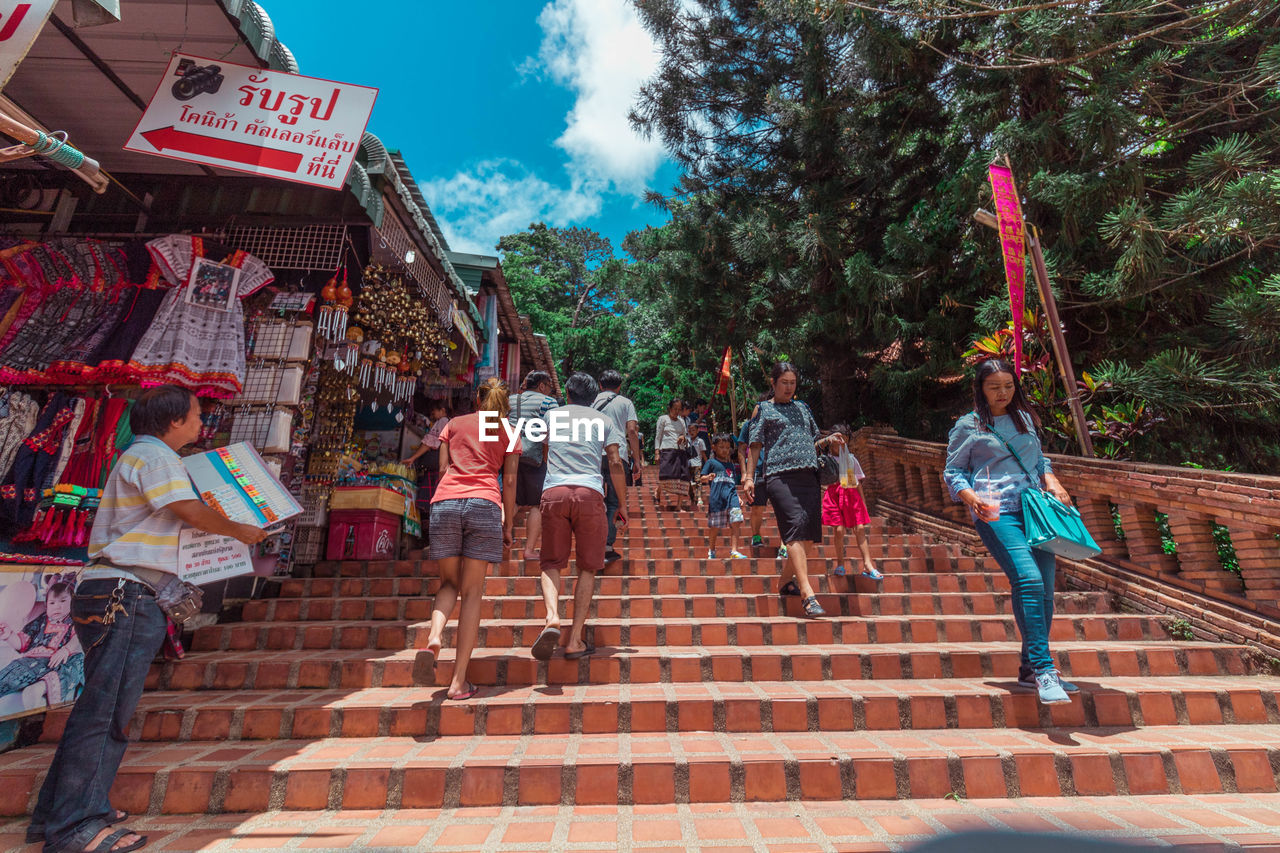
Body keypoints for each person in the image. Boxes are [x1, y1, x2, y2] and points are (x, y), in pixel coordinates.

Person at [31, 385, 267, 853]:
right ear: (174, 419)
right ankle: (77, 825)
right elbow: (186, 509)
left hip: (114, 591)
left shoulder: (141, 457)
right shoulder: (157, 458)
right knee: (106, 713)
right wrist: (241, 529)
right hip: (126, 595)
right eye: (198, 416)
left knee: (99, 707)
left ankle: (58, 813)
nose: (203, 425)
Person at [943, 358, 1076, 706]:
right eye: (994, 387)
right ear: (980, 389)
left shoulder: (1025, 418)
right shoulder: (968, 425)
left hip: (1035, 510)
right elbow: (953, 472)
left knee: (1045, 590)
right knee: (1029, 580)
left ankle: (1030, 670)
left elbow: (1039, 460)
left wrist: (1054, 481)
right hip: (997, 512)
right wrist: (972, 499)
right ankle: (1045, 669)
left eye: (1008, 386)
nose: (1003, 393)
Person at [422, 378, 520, 701]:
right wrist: (508, 525)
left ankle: (435, 636)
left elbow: (442, 469)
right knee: (473, 592)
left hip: (446, 501)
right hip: (484, 503)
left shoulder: (453, 424)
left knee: (448, 584)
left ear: (477, 399)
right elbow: (510, 482)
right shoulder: (507, 430)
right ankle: (458, 682)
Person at [532, 373, 627, 660]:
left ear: (569, 394)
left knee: (551, 562)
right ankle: (574, 640)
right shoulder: (605, 421)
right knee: (588, 567)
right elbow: (614, 462)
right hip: (590, 494)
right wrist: (622, 503)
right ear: (594, 394)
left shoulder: (551, 416)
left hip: (555, 492)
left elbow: (545, 452)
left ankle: (551, 617)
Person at [744, 363, 842, 618]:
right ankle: (807, 593)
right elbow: (754, 445)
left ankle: (784, 581)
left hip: (808, 475)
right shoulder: (763, 409)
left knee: (808, 535)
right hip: (779, 477)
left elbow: (813, 440)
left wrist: (828, 440)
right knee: (795, 530)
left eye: (792, 383)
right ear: (774, 383)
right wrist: (748, 477)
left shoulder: (803, 408)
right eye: (784, 382)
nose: (789, 387)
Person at [820, 424, 882, 580]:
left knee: (859, 529)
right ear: (831, 439)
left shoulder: (851, 459)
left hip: (852, 495)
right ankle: (840, 563)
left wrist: (864, 504)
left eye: (844, 440)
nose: (841, 443)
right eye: (838, 439)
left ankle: (868, 564)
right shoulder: (825, 460)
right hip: (834, 495)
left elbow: (858, 482)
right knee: (839, 530)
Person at [507, 371, 558, 562]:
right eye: (549, 387)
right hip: (535, 458)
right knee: (537, 504)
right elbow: (551, 432)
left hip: (510, 455)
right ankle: (529, 550)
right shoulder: (548, 402)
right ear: (542, 386)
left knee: (513, 500)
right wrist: (547, 460)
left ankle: (498, 538)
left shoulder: (510, 400)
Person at [592, 370, 641, 564]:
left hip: (594, 454)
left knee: (594, 500)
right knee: (613, 501)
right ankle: (607, 546)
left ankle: (591, 543)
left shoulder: (591, 401)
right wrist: (637, 459)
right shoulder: (625, 403)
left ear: (600, 385)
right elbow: (631, 430)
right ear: (619, 386)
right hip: (618, 456)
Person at [700, 434, 748, 560]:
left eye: (727, 447)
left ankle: (734, 550)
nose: (725, 450)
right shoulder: (711, 462)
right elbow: (701, 477)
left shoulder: (731, 466)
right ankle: (711, 550)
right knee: (715, 526)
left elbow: (731, 482)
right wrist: (708, 477)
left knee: (736, 520)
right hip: (717, 499)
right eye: (721, 447)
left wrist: (737, 496)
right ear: (714, 447)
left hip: (731, 497)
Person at [402, 401, 450, 511]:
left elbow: (429, 443)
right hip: (441, 468)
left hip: (436, 467)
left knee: (430, 502)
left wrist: (412, 458)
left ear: (442, 410)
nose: (432, 415)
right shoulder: (450, 422)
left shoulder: (443, 421)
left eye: (434, 412)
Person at [654, 399, 691, 511]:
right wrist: (657, 452)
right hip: (667, 450)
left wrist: (683, 438)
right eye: (675, 409)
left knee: (683, 477)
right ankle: (658, 491)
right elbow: (658, 436)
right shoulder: (663, 419)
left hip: (680, 451)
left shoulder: (682, 421)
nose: (676, 411)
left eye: (679, 409)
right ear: (669, 408)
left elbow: (686, 437)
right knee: (666, 474)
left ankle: (679, 505)